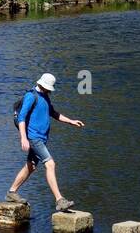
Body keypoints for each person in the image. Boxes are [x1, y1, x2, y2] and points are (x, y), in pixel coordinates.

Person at [6, 72, 85, 212]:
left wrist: (71, 121)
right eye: (49, 87)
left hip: (41, 138)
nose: (50, 90)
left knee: (30, 166)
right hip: (34, 138)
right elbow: (21, 118)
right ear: (42, 84)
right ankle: (59, 200)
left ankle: (11, 192)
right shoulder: (31, 96)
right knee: (50, 164)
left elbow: (54, 113)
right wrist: (23, 138)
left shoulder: (45, 96)